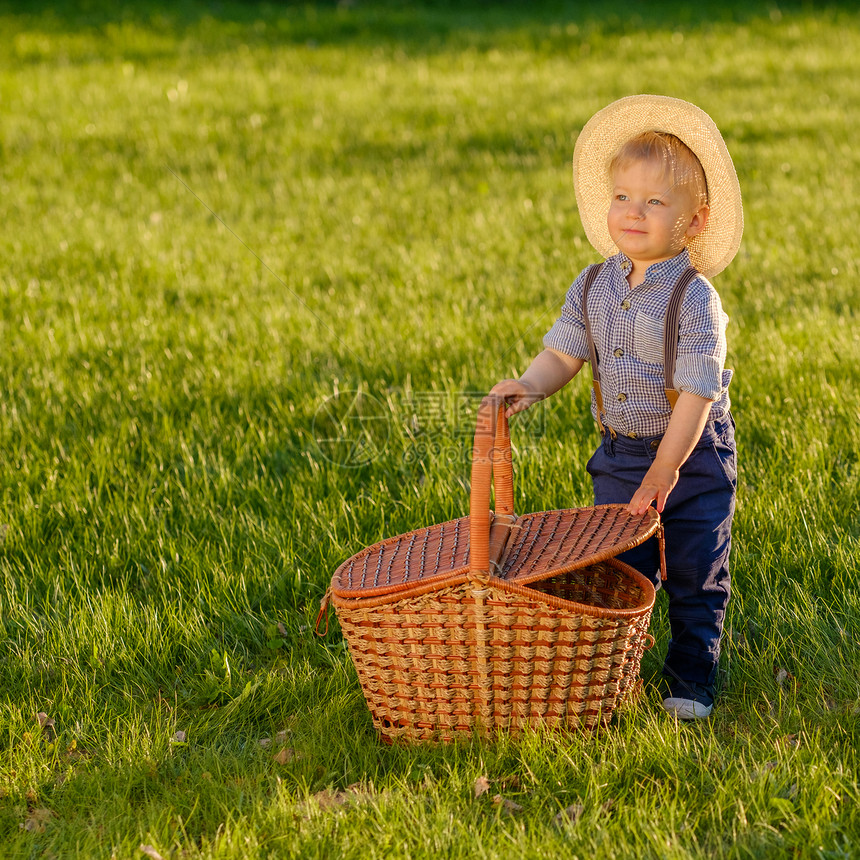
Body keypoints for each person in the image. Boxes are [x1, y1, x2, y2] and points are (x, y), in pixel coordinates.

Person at [489, 95, 743, 719]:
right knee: (620, 568)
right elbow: (565, 353)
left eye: (656, 202)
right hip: (622, 454)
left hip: (694, 454)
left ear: (694, 221)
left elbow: (696, 394)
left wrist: (667, 470)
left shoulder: (694, 297)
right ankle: (616, 671)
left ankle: (691, 677)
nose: (635, 212)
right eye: (624, 196)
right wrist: (529, 383)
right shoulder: (594, 284)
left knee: (693, 568)